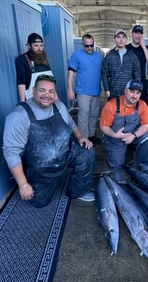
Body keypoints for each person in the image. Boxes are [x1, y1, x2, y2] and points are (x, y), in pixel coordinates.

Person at [2, 74, 96, 207]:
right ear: (33, 90)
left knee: (87, 152)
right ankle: (46, 181)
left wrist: (80, 137)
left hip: (65, 153)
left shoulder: (59, 106)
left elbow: (70, 122)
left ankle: (77, 191)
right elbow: (11, 152)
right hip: (41, 170)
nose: (47, 95)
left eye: (51, 91)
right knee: (39, 202)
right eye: (42, 90)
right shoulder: (18, 116)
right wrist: (23, 185)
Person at [100, 79, 148, 182]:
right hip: (115, 137)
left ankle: (144, 170)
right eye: (132, 91)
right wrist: (115, 135)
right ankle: (124, 151)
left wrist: (134, 135)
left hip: (132, 135)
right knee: (116, 168)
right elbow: (103, 126)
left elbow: (146, 125)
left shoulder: (142, 105)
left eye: (138, 93)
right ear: (125, 91)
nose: (135, 96)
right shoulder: (111, 105)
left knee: (147, 138)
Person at [67, 33, 103, 144]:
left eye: (91, 45)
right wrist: (70, 89)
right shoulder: (76, 55)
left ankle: (91, 135)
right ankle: (83, 138)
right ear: (82, 44)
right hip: (83, 92)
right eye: (87, 46)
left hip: (96, 91)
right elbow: (71, 74)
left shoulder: (99, 56)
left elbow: (104, 73)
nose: (89, 48)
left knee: (93, 115)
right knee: (84, 115)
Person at [101, 29, 141, 100]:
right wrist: (107, 89)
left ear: (126, 40)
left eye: (123, 37)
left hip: (129, 92)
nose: (121, 40)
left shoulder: (132, 56)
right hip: (113, 92)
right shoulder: (109, 56)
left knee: (129, 111)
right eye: (118, 37)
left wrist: (136, 90)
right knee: (114, 111)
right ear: (115, 39)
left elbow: (137, 73)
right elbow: (104, 74)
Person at [15, 33, 53, 102]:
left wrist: (56, 97)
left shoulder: (44, 59)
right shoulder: (21, 60)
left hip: (49, 99)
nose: (39, 48)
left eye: (41, 46)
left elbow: (51, 81)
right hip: (33, 101)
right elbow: (21, 83)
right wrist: (23, 102)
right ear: (29, 46)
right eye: (36, 46)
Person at [126, 25, 148, 102]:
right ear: (132, 34)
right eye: (136, 33)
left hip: (141, 83)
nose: (138, 36)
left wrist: (144, 47)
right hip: (128, 83)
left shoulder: (146, 48)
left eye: (140, 33)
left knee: (141, 107)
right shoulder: (126, 48)